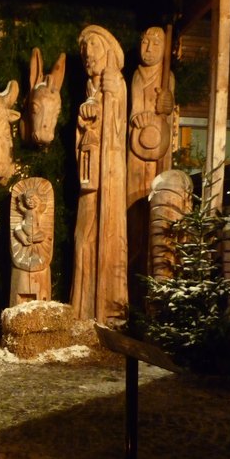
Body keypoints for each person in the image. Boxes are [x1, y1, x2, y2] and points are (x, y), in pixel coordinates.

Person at [70, 25, 128, 324]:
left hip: (108, 175)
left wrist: (106, 103)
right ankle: (83, 310)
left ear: (107, 50)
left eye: (93, 46)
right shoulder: (89, 88)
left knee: (105, 234)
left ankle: (107, 309)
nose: (87, 54)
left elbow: (116, 129)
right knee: (83, 237)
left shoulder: (115, 83)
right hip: (89, 176)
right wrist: (84, 124)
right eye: (84, 49)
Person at [127, 26, 175, 307]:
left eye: (155, 44)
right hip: (136, 156)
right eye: (145, 42)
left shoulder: (167, 77)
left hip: (158, 157)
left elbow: (168, 113)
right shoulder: (137, 76)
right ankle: (132, 289)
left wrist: (167, 104)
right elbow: (135, 112)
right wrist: (142, 117)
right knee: (134, 225)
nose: (148, 48)